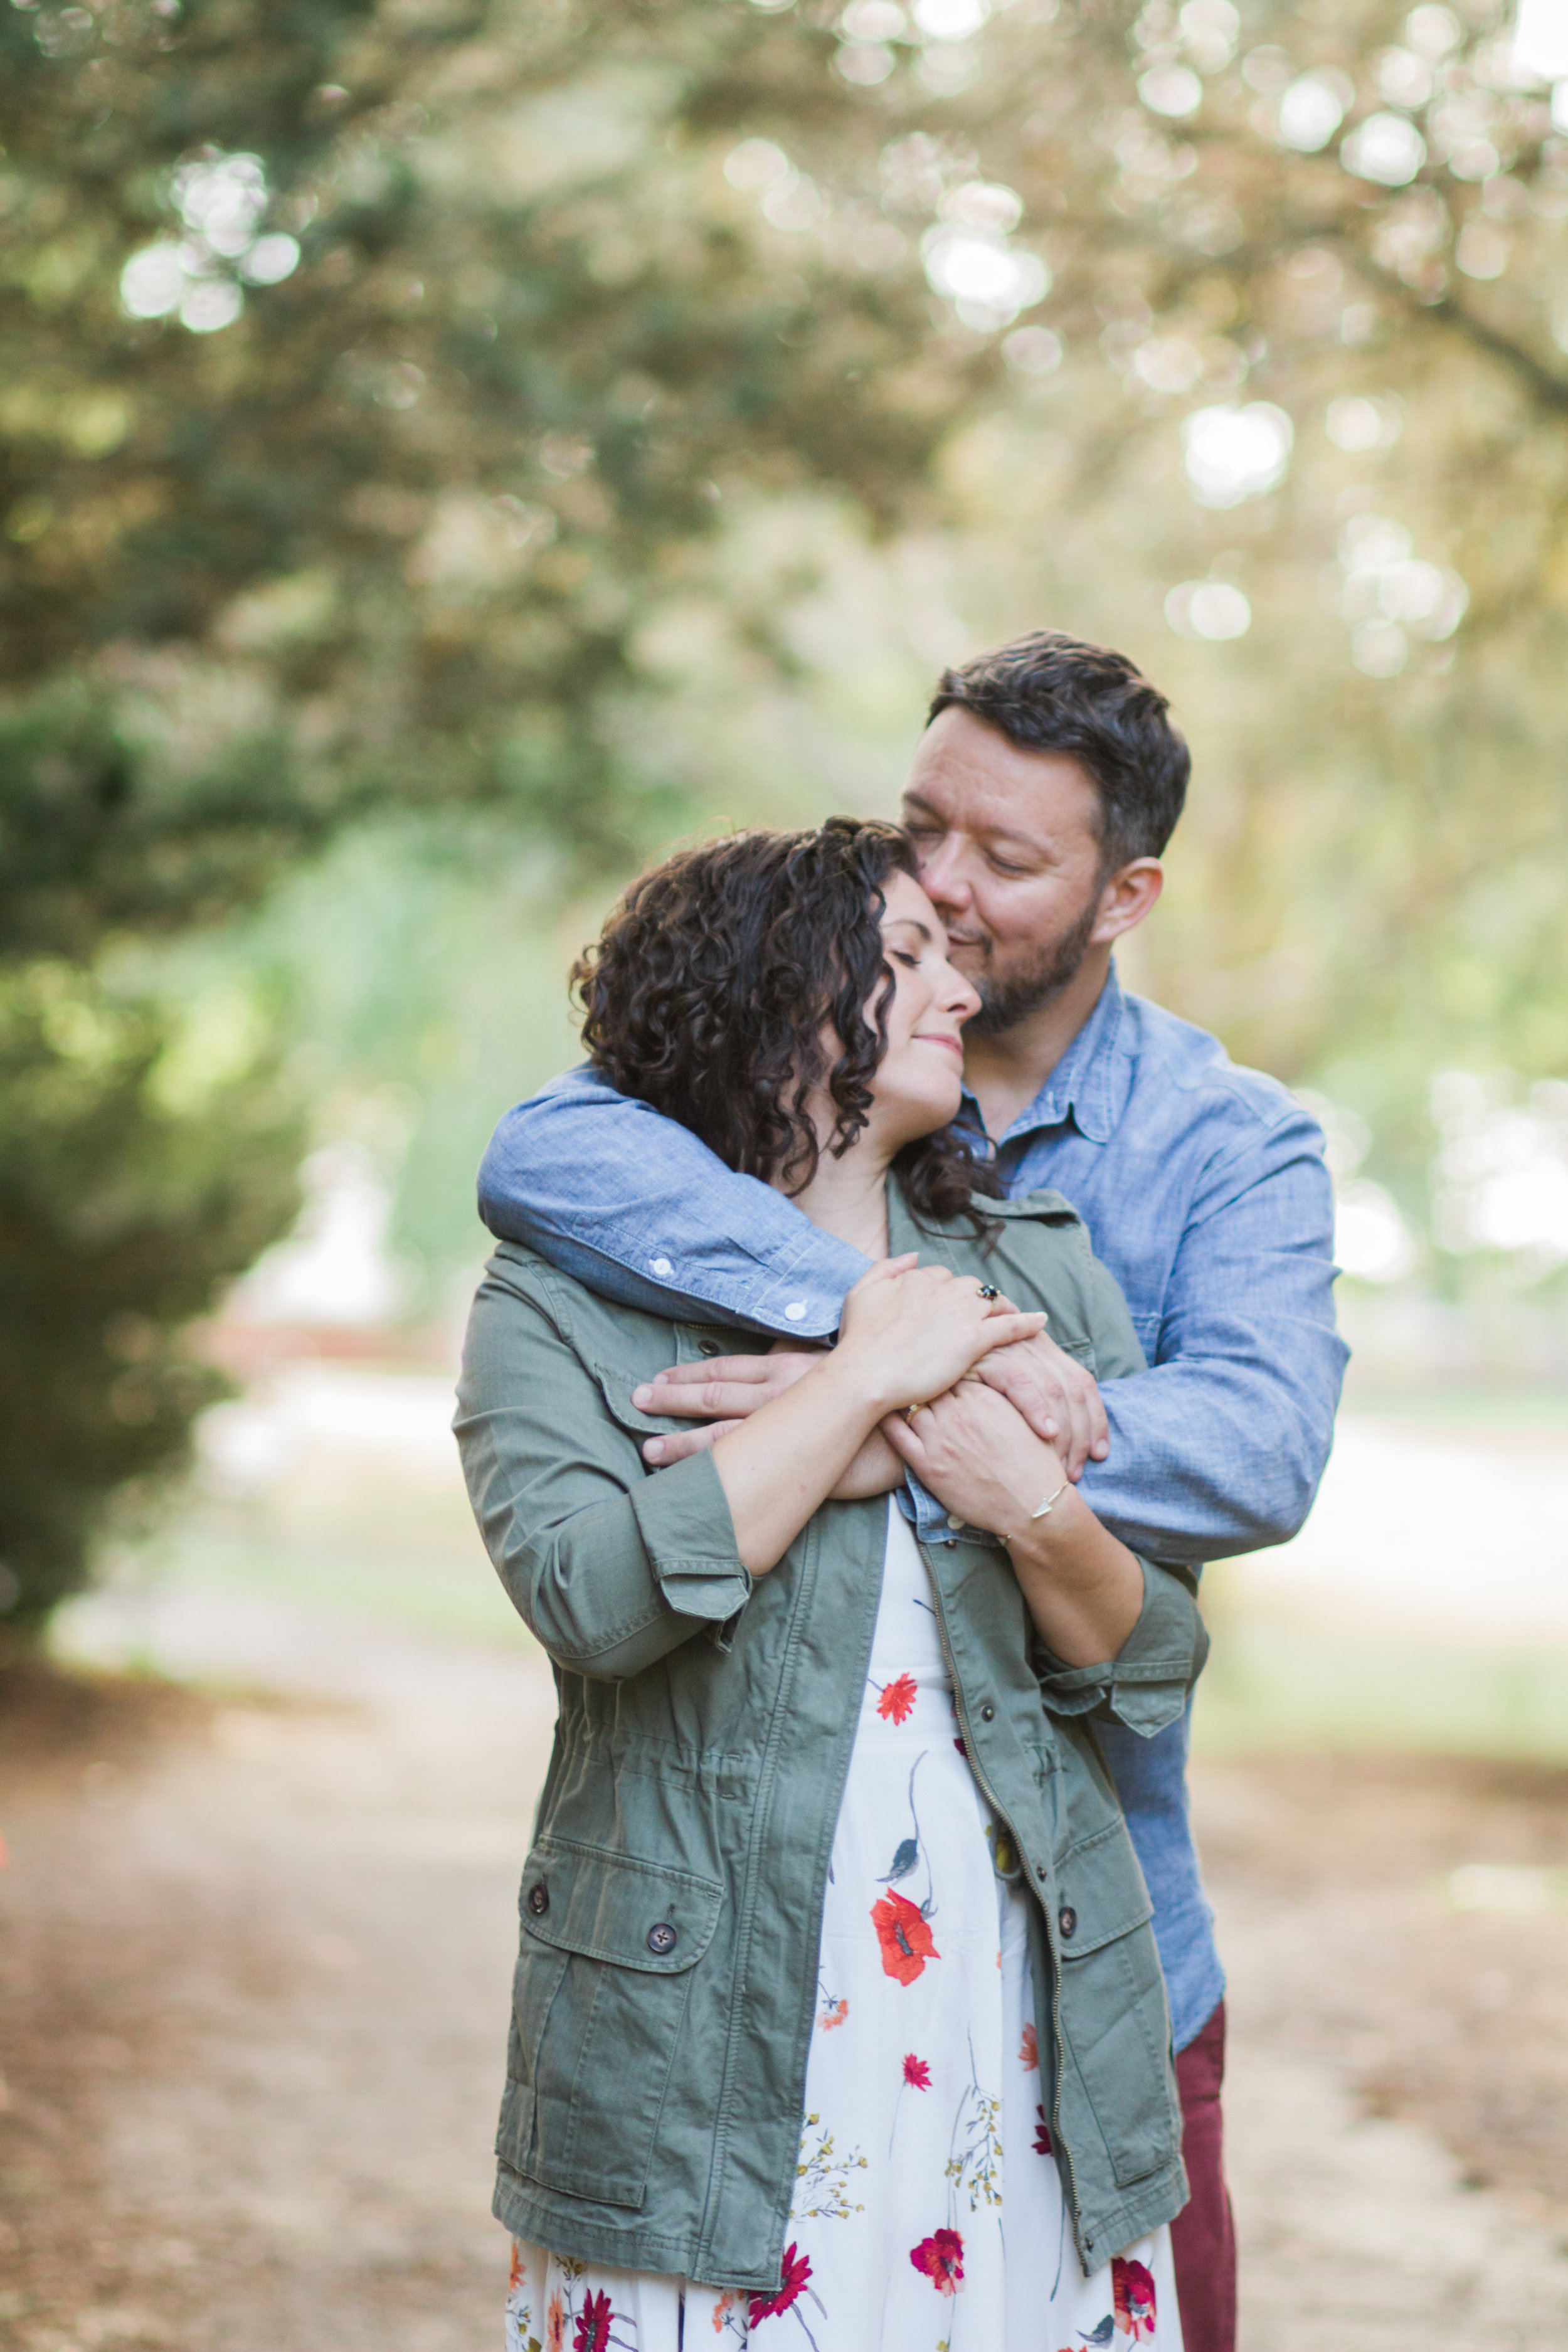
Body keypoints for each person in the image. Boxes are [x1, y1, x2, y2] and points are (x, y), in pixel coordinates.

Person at [475, 632, 1349, 2352]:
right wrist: (883, 1338)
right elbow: (533, 1157)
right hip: (737, 1944)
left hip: (1088, 1935)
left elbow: (1252, 1451)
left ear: (1123, 895)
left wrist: (887, 1419)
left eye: (1008, 861)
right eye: (919, 828)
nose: (941, 894)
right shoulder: (701, 1105)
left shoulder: (1221, 1144)